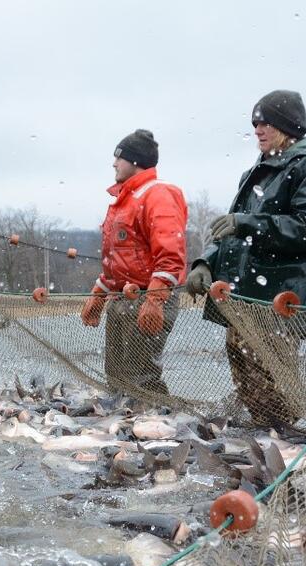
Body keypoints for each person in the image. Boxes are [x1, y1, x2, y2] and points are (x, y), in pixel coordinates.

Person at [186, 91, 306, 429]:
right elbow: (230, 233)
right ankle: (267, 443)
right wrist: (205, 261)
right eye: (254, 123)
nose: (258, 129)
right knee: (247, 378)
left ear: (286, 127)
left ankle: (286, 448)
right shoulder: (257, 172)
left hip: (278, 299)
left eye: (265, 122)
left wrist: (247, 223)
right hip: (244, 297)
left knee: (274, 389)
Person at [81, 129, 188, 397]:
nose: (114, 164)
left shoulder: (158, 194)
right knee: (117, 377)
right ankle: (125, 431)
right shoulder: (123, 201)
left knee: (141, 378)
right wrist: (99, 293)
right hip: (123, 300)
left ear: (136, 161)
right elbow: (119, 260)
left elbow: (171, 253)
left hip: (148, 299)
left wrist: (155, 298)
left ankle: (160, 427)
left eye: (119, 158)